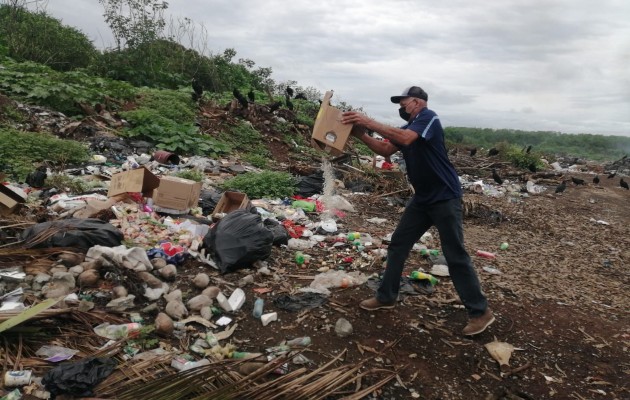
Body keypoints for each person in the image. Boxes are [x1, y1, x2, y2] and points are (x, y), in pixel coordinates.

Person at [341, 86, 494, 335]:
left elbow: (406, 140)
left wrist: (368, 121)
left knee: (454, 254)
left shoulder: (428, 118)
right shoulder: (406, 129)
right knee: (398, 244)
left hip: (444, 197)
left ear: (416, 102)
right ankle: (386, 296)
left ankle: (480, 312)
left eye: (403, 103)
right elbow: (386, 149)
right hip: (422, 199)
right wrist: (360, 134)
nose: (400, 108)